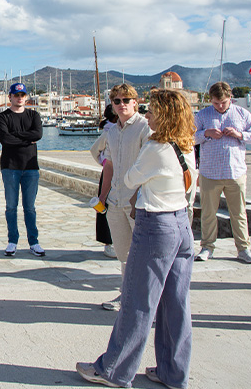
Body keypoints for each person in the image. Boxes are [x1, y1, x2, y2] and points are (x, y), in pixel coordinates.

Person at [77, 89, 197, 389]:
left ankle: (114, 370)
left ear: (166, 115)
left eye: (154, 111)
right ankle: (173, 372)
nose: (149, 115)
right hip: (181, 224)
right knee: (175, 304)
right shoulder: (186, 144)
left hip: (156, 226)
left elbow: (129, 178)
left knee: (137, 301)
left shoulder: (156, 148)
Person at [96, 84, 152, 311]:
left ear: (135, 102)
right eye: (117, 101)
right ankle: (126, 296)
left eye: (126, 100)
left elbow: (149, 166)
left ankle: (148, 301)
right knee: (124, 254)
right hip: (115, 200)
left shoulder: (145, 128)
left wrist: (138, 197)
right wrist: (102, 197)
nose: (122, 104)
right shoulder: (111, 131)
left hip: (137, 201)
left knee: (144, 253)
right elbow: (108, 166)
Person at [194, 81, 251, 264]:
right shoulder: (203, 114)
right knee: (208, 213)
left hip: (235, 172)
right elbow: (190, 137)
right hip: (210, 173)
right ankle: (207, 247)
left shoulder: (242, 113)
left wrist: (240, 135)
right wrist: (206, 133)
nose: (220, 106)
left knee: (239, 213)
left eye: (223, 102)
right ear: (211, 100)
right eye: (216, 103)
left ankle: (243, 249)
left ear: (230, 98)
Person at [0, 82, 45, 257]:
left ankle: (34, 242)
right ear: (10, 97)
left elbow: (38, 134)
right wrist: (26, 138)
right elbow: (5, 140)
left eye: (22, 95)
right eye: (16, 95)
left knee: (30, 207)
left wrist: (14, 135)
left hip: (31, 168)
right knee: (11, 206)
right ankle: (12, 241)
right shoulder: (3, 117)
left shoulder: (33, 115)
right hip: (10, 167)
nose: (19, 98)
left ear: (26, 97)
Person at [89, 104, 118, 259]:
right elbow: (95, 150)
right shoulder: (110, 132)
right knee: (106, 204)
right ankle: (109, 241)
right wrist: (105, 162)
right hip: (110, 172)